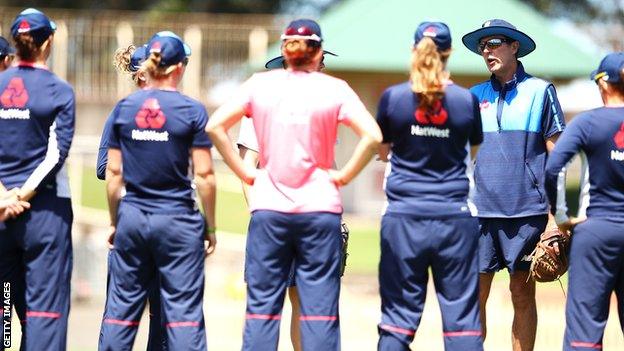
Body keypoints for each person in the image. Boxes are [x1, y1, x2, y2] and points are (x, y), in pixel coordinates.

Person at [207, 18, 382, 351]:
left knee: (261, 312)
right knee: (319, 315)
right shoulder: (334, 88)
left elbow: (215, 126)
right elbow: (373, 136)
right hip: (319, 213)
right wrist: (343, 176)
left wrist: (246, 175)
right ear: (317, 55)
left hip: (270, 213)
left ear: (285, 51)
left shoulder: (260, 85)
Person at [98, 31, 216, 351]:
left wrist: (114, 221)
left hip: (133, 219)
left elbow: (112, 173)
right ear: (179, 68)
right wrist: (211, 226)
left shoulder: (124, 108)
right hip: (177, 220)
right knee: (182, 316)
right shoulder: (191, 110)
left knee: (120, 314)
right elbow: (205, 175)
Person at [375, 22, 483, 351]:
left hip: (404, 217)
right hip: (455, 217)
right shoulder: (466, 100)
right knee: (462, 323)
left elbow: (382, 151)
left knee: (397, 319)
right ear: (449, 54)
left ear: (413, 50)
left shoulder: (393, 98)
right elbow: (473, 151)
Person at [461, 19, 566, 350]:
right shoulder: (472, 96)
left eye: (493, 43)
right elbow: (458, 156)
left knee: (521, 294)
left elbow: (558, 156)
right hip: (478, 214)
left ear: (514, 46)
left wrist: (556, 215)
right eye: (482, 47)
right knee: (473, 296)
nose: (486, 51)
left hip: (527, 213)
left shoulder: (540, 91)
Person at [236, 49, 345, 351]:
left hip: (316, 216)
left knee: (309, 305)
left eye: (322, 62)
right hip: (273, 216)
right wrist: (256, 210)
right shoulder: (261, 104)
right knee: (267, 305)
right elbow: (247, 166)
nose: (322, 67)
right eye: (318, 61)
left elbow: (327, 163)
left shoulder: (324, 106)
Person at [0, 8, 75, 351]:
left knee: (2, 307)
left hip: (1, 211)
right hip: (44, 213)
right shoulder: (59, 91)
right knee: (43, 314)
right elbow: (55, 155)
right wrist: (22, 195)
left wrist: (3, 196)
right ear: (49, 43)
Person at [544, 52, 624, 351]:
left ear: (603, 84)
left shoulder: (588, 122)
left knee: (583, 333)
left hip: (597, 231)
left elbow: (554, 168)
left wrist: (561, 213)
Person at [96, 43, 167, 351]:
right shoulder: (122, 113)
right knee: (120, 313)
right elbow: (103, 167)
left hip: (164, 220)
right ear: (143, 76)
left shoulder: (174, 109)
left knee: (163, 314)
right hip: (133, 218)